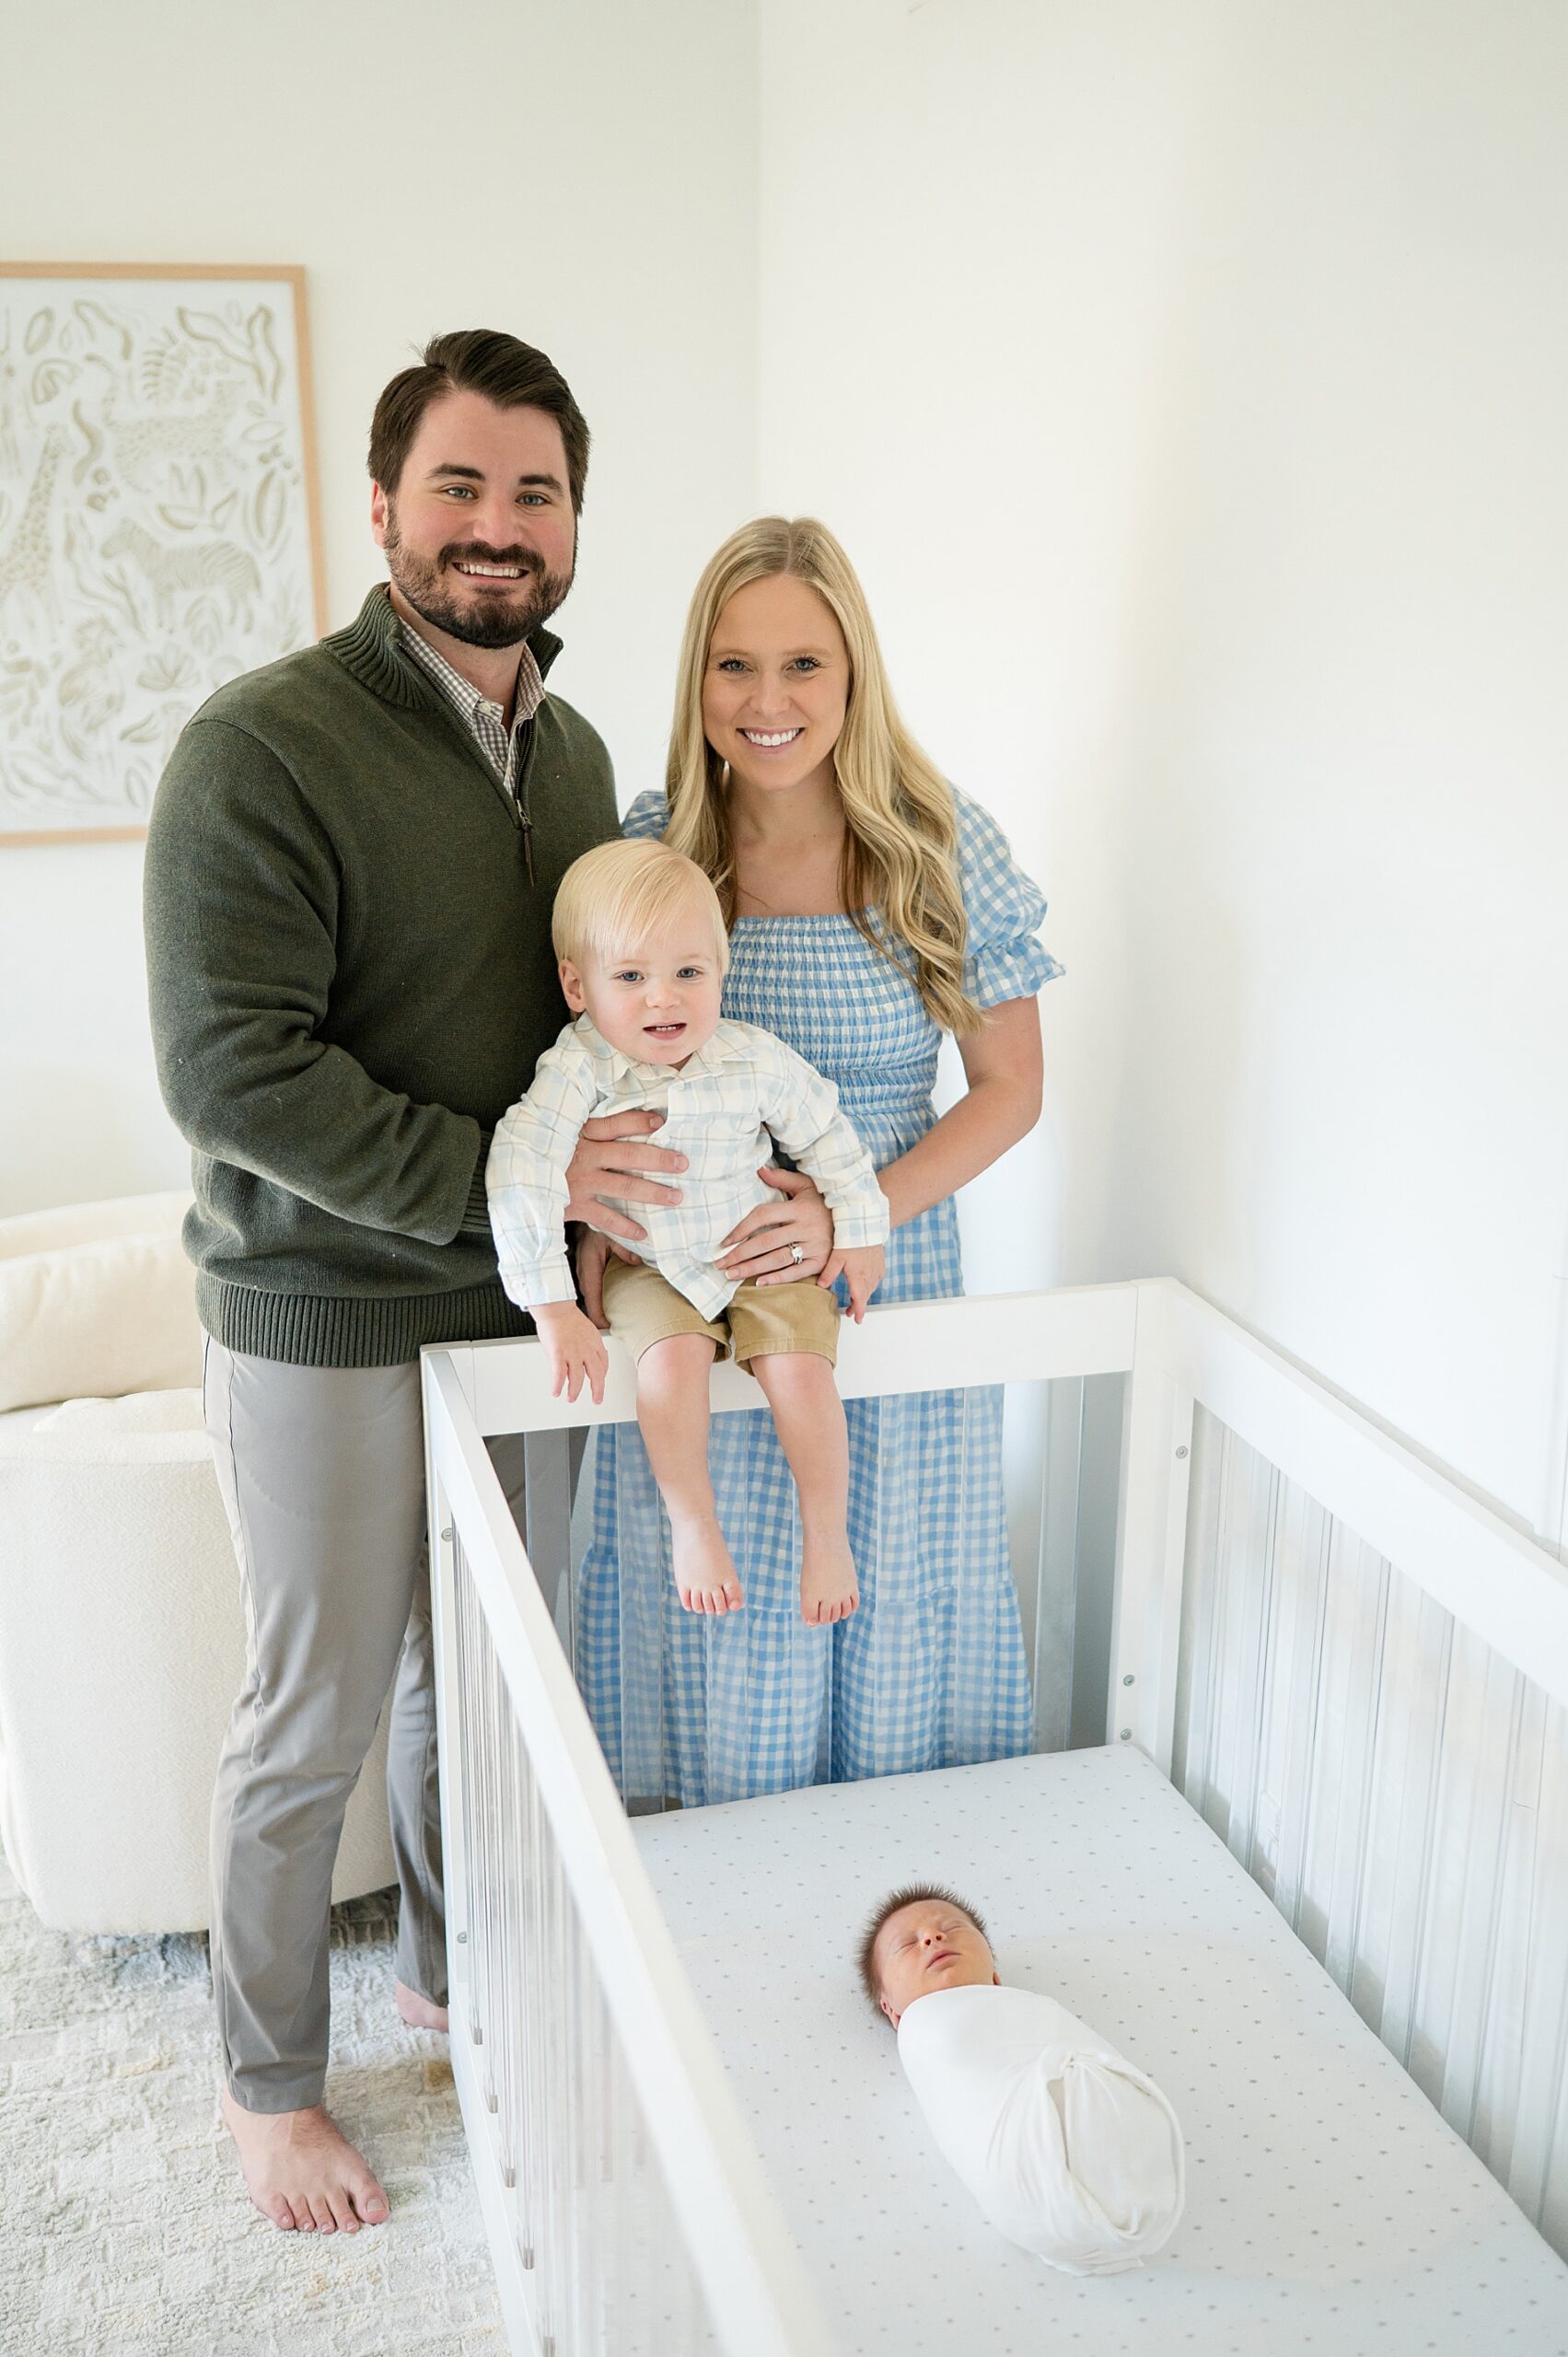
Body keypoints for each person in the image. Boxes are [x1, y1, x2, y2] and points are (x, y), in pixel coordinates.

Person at [144, 330, 624, 2237]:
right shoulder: (262, 744)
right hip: (321, 1311)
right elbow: (231, 1071)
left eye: (532, 491)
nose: (495, 527)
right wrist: (500, 1196)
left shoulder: (577, 754)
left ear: (572, 520)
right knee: (315, 1710)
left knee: (477, 1694)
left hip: (519, 1310)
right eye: (458, 486)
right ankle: (266, 2088)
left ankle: (449, 1971)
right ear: (380, 505)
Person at [571, 516, 1063, 1805]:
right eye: (734, 666)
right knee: (712, 1587)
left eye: (803, 665)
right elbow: (587, 1072)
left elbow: (1009, 1091)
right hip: (687, 1279)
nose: (768, 701)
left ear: (854, 674)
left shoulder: (938, 847)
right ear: (697, 683)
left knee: (879, 1583)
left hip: (873, 1285)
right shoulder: (656, 846)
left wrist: (853, 1216)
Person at [487, 836, 889, 1622]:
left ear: (720, 969)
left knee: (801, 1372)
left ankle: (826, 1530)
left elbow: (827, 1135)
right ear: (577, 985)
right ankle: (692, 1524)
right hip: (647, 1266)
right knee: (667, 1370)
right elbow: (520, 1170)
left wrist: (860, 1230)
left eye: (687, 973)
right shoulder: (579, 1069)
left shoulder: (752, 1057)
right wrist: (551, 1304)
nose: (662, 1000)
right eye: (630, 977)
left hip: (758, 1253)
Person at [859, 1885, 1186, 2274]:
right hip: (1017, 2151)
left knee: (1101, 2098)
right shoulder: (921, 2028)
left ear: (996, 1978)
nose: (933, 1937)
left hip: (1096, 2108)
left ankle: (1109, 2200)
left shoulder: (1028, 2008)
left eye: (951, 1928)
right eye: (907, 1945)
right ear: (892, 2011)